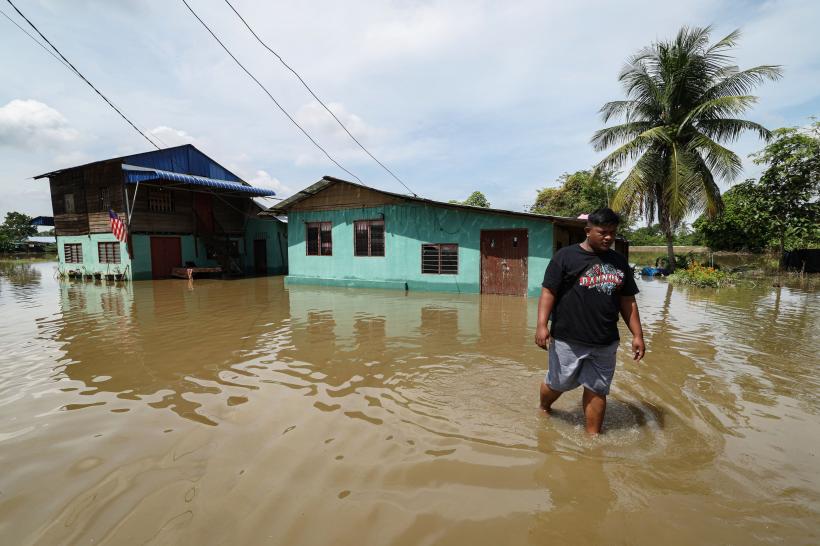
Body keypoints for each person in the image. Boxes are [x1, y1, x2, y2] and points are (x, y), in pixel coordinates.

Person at [534, 207, 645, 435]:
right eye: (603, 232)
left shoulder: (619, 262)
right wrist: (542, 325)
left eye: (612, 233)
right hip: (568, 338)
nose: (608, 238)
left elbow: (627, 300)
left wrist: (637, 335)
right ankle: (544, 406)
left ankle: (593, 437)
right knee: (559, 383)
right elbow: (548, 292)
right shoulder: (565, 257)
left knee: (597, 389)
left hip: (605, 340)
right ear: (588, 230)